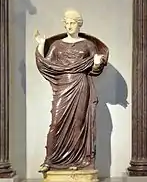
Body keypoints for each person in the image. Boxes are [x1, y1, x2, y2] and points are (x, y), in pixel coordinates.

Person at [34, 9, 109, 172]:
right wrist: (41, 45)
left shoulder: (88, 45)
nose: (69, 26)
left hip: (81, 85)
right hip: (63, 86)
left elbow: (95, 71)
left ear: (79, 24)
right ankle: (50, 161)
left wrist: (96, 63)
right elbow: (45, 64)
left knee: (78, 123)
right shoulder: (56, 45)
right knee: (56, 122)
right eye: (67, 23)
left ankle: (78, 161)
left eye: (72, 23)